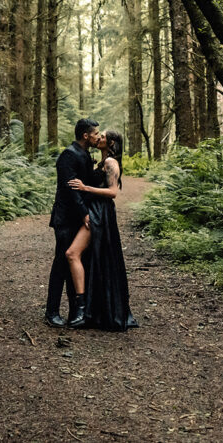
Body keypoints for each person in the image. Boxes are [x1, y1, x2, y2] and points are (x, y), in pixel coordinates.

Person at [65, 130, 138, 331]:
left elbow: (113, 192)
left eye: (103, 136)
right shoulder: (101, 161)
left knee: (72, 253)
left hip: (101, 212)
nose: (99, 138)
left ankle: (82, 311)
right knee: (95, 258)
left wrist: (84, 188)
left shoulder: (111, 163)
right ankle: (92, 310)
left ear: (111, 142)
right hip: (95, 210)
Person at [45, 118, 100, 328]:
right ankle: (51, 312)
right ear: (86, 135)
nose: (98, 136)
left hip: (77, 219)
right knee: (61, 262)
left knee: (74, 262)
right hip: (65, 219)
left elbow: (87, 183)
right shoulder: (68, 155)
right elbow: (70, 189)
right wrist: (85, 212)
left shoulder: (85, 154)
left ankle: (75, 311)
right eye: (95, 133)